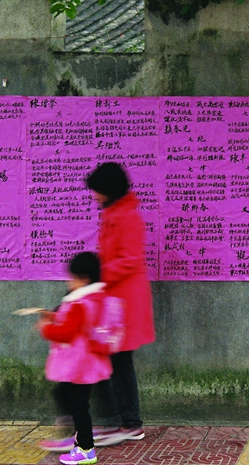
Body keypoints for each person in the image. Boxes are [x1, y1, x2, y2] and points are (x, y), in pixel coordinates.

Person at [85, 162, 156, 445]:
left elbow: (130, 260)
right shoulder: (114, 213)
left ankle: (130, 423)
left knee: (120, 362)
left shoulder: (127, 217)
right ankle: (122, 420)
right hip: (115, 301)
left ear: (110, 190)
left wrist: (97, 275)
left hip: (124, 304)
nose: (94, 196)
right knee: (114, 360)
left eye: (97, 191)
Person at [37, 252, 109, 465]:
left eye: (72, 278)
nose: (68, 282)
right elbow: (75, 324)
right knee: (74, 402)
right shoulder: (93, 299)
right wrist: (54, 317)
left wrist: (46, 328)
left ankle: (86, 449)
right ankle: (82, 440)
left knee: (78, 407)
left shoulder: (79, 303)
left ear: (84, 279)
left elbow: (66, 333)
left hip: (78, 366)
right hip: (86, 364)